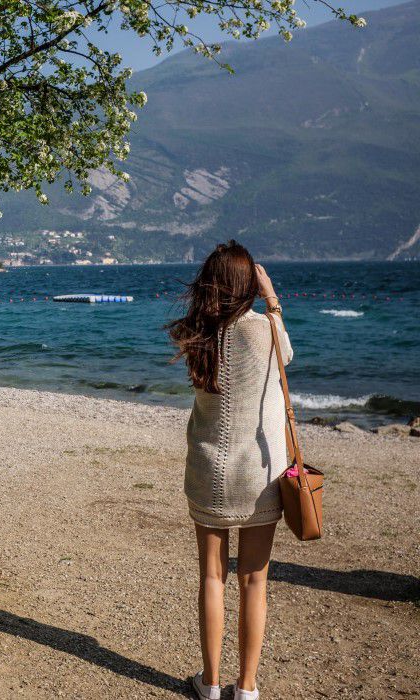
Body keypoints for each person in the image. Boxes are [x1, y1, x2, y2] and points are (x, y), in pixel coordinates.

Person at [167, 241, 291, 700]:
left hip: (208, 472)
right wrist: (271, 297)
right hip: (260, 476)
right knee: (255, 580)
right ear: (248, 286)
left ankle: (211, 683)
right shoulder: (266, 330)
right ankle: (248, 688)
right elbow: (288, 359)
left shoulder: (196, 332)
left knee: (212, 578)